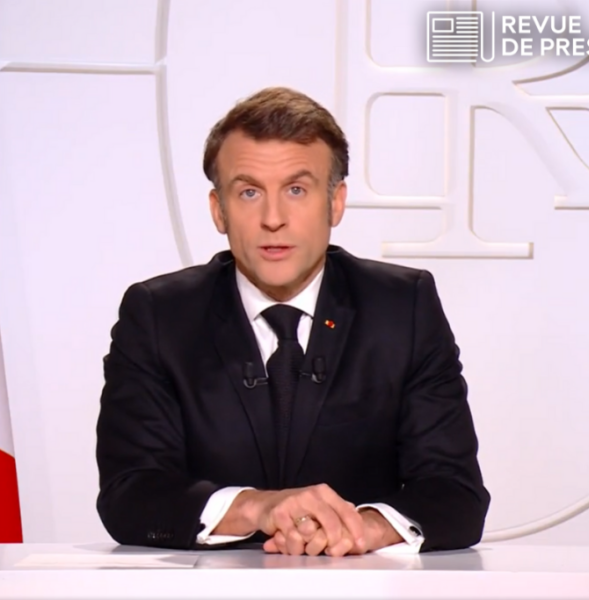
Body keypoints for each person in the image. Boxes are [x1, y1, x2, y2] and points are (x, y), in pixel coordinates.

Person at [95, 87, 490, 556]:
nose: (273, 218)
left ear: (335, 203)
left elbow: (454, 493)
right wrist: (258, 508)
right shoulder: (159, 316)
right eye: (249, 192)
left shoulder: (403, 308)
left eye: (297, 190)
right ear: (219, 210)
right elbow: (130, 492)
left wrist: (360, 528)